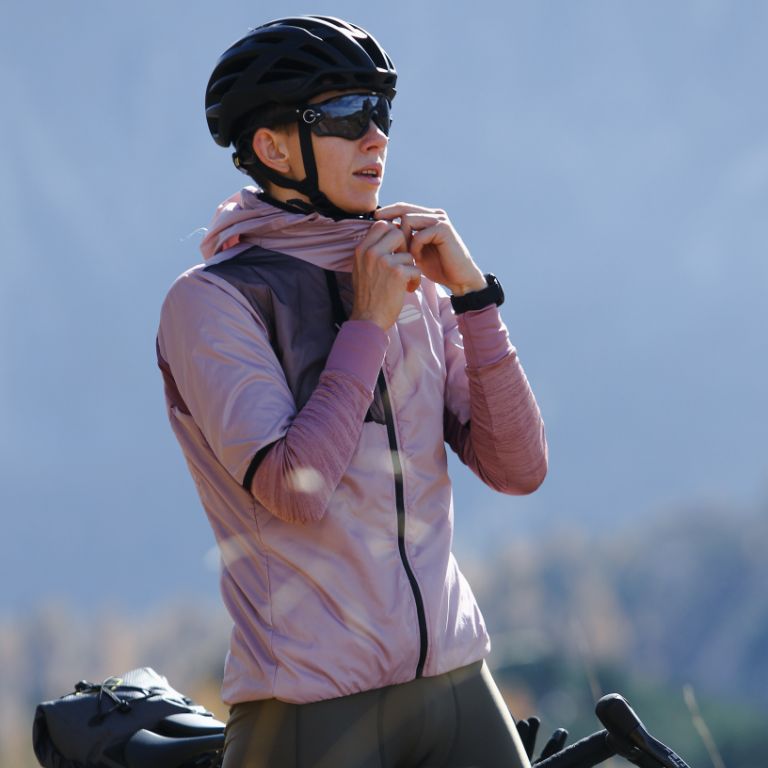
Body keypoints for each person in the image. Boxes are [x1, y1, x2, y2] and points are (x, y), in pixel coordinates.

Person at [157, 15, 548, 768]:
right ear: (271, 147)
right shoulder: (214, 302)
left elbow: (519, 469)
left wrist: (473, 299)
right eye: (343, 114)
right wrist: (367, 322)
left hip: (458, 686)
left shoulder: (412, 280)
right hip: (310, 708)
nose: (376, 137)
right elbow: (293, 490)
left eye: (381, 112)